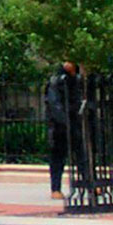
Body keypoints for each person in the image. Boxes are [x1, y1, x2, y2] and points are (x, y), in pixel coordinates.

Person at [45, 61, 84, 199]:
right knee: (58, 157)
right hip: (59, 127)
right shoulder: (56, 81)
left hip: (75, 123)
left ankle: (88, 184)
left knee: (82, 155)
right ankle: (55, 188)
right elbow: (54, 105)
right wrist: (64, 121)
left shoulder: (78, 79)